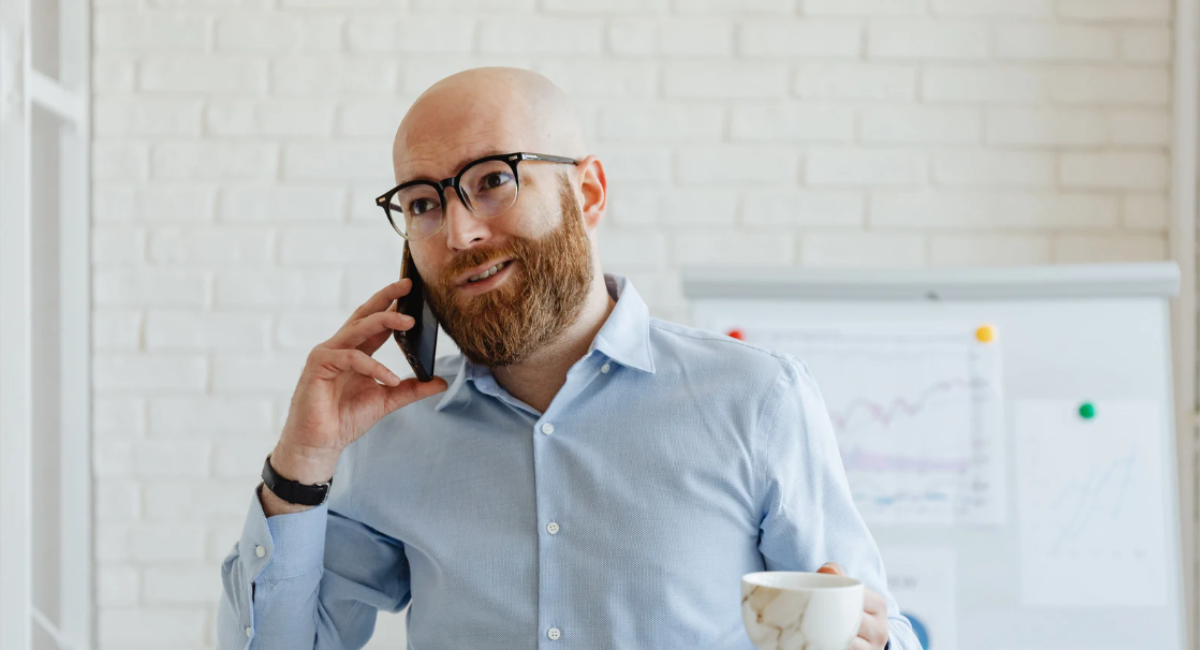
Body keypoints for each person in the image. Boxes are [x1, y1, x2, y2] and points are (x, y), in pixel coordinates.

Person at [216, 66, 918, 650]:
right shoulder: (392, 433)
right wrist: (299, 469)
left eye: (492, 180)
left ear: (587, 193)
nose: (459, 231)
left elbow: (866, 622)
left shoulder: (756, 400)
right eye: (425, 202)